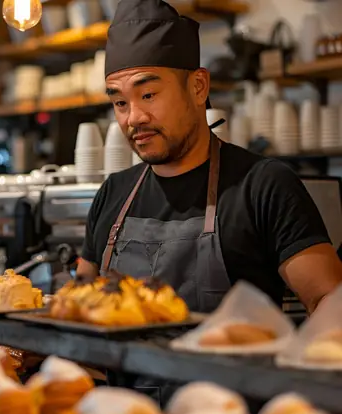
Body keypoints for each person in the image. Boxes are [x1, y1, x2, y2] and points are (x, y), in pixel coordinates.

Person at [78, 0, 342, 314]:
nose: (134, 118)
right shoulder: (112, 194)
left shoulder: (263, 186)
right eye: (120, 103)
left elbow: (329, 301)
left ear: (198, 87)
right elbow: (80, 301)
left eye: (148, 95)